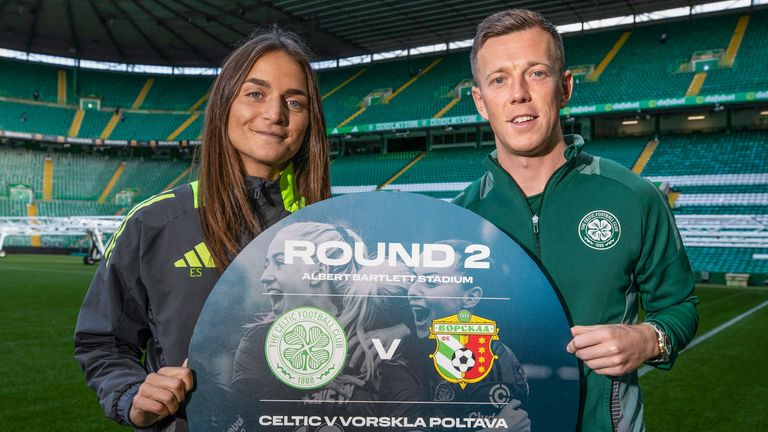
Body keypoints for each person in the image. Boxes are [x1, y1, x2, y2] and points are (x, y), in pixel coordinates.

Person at [74, 27, 331, 432]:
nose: (275, 114)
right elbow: (102, 341)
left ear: (309, 120)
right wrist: (131, 394)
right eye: (255, 93)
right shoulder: (153, 224)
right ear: (225, 102)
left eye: (294, 101)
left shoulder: (338, 231)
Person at [453, 9, 698, 431]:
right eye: (499, 79)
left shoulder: (634, 197)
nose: (518, 95)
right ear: (480, 101)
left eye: (536, 74)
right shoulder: (456, 219)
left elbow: (679, 306)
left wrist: (648, 339)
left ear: (564, 87)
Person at [407, 239, 530, 432]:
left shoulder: (490, 364)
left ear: (471, 297)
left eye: (430, 282)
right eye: (413, 278)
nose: (412, 290)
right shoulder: (417, 342)